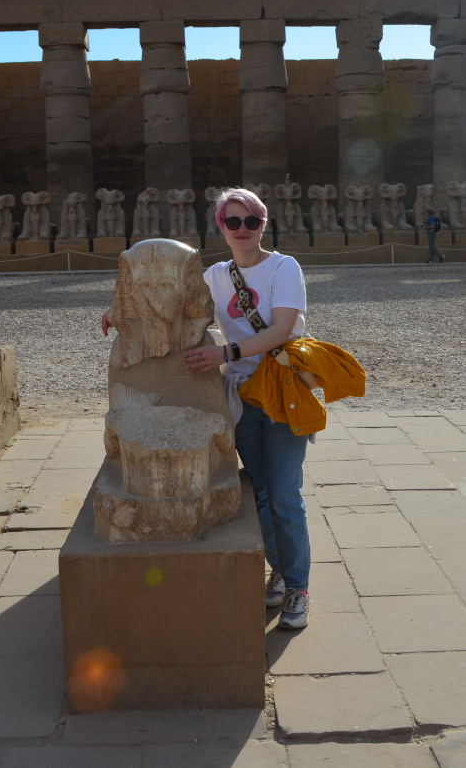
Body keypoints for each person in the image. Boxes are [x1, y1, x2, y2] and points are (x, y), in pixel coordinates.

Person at [181, 188, 312, 630]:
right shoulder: (215, 275)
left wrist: (225, 353)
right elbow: (172, 305)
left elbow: (282, 329)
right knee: (258, 492)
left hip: (280, 391)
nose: (241, 230)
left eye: (250, 221)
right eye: (232, 222)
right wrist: (118, 314)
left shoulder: (283, 267)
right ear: (221, 226)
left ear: (262, 224)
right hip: (242, 395)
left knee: (285, 493)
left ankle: (298, 587)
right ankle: (279, 569)